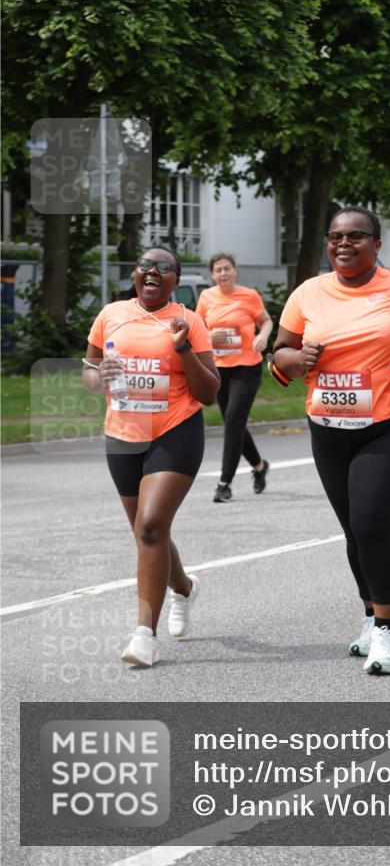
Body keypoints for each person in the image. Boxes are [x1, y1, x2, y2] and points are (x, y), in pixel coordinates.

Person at [270, 206, 390, 675]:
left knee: (373, 520)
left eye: (356, 236)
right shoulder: (308, 294)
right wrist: (298, 357)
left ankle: (385, 629)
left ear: (377, 244)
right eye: (335, 236)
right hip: (331, 428)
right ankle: (369, 615)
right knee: (354, 529)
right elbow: (277, 358)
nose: (344, 244)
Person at [83, 246, 220, 667]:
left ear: (176, 279)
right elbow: (90, 369)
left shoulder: (189, 321)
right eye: (145, 265)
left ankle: (144, 634)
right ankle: (184, 587)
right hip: (123, 435)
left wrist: (182, 350)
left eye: (164, 267)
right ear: (134, 275)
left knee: (151, 526)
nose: (152, 271)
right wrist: (97, 375)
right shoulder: (111, 314)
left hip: (174, 431)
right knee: (149, 533)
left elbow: (210, 393)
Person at [196, 253, 272, 502]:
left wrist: (263, 336)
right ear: (212, 275)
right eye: (218, 270)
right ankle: (260, 466)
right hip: (219, 369)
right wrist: (207, 340)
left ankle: (224, 483)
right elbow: (198, 328)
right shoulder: (207, 297)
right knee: (235, 423)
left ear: (235, 270)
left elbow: (266, 321)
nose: (223, 273)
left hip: (247, 368)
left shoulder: (249, 295)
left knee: (232, 421)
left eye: (227, 268)